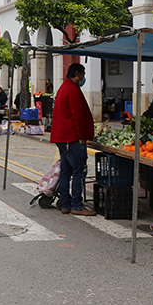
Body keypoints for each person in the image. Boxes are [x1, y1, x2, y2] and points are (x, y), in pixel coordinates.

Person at [50, 63, 96, 216]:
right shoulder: (72, 90)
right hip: (71, 138)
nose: (84, 77)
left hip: (63, 137)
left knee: (66, 170)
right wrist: (82, 137)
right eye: (83, 74)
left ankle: (66, 204)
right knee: (78, 171)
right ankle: (77, 205)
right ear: (78, 74)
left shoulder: (64, 87)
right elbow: (78, 116)